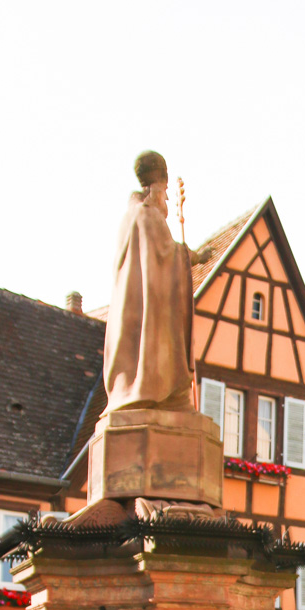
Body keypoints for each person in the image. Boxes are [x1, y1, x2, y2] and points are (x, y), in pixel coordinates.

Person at [104, 150, 198, 414]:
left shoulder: (128, 218)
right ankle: (156, 392)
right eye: (166, 190)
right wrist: (193, 255)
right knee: (153, 357)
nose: (168, 197)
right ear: (157, 187)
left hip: (129, 316)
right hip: (147, 314)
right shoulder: (148, 215)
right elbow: (166, 254)